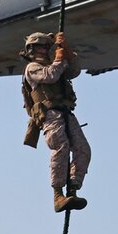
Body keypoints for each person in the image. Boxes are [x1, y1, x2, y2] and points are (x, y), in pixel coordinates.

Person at [21, 31, 92, 212]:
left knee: (83, 148)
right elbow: (50, 75)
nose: (44, 50)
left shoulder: (56, 64)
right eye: (40, 47)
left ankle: (73, 187)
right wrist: (60, 59)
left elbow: (73, 71)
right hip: (50, 115)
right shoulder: (32, 68)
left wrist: (66, 51)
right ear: (31, 49)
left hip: (66, 113)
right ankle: (58, 194)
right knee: (60, 147)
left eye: (46, 46)